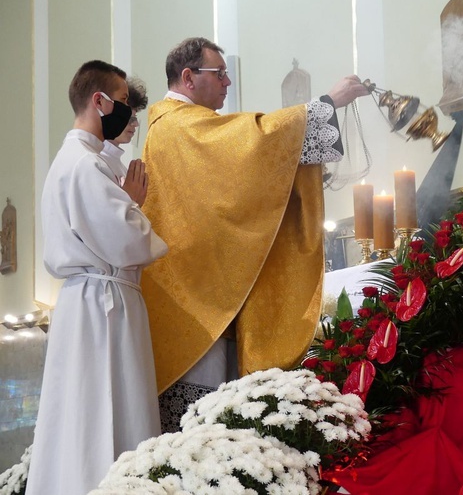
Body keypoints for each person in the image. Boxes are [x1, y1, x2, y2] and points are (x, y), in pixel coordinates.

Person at [140, 37, 369, 431]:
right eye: (220, 73)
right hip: (198, 304)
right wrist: (328, 103)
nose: (228, 82)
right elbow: (256, 144)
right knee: (204, 433)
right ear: (188, 77)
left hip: (206, 293)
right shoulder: (179, 127)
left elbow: (240, 183)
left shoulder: (176, 127)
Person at [25, 61, 167, 495]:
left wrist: (122, 201)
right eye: (122, 102)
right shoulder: (84, 165)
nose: (127, 113)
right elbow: (130, 243)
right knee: (104, 407)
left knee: (80, 412)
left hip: (87, 300)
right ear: (98, 101)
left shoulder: (73, 160)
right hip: (103, 304)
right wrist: (134, 206)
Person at [99, 76, 149, 184]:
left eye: (135, 118)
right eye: (130, 118)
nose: (135, 124)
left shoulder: (119, 166)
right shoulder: (97, 162)